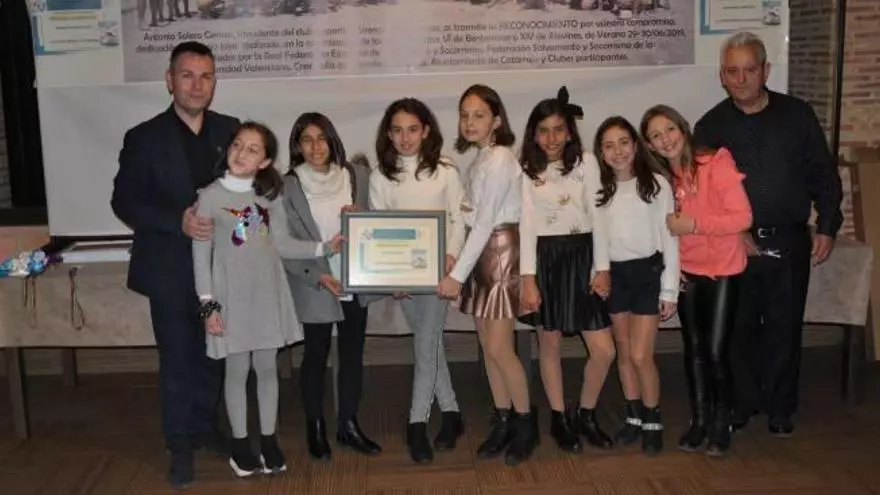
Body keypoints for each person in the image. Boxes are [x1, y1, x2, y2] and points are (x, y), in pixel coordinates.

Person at [693, 31, 843, 436]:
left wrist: (827, 225)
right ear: (722, 76)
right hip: (733, 243)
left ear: (766, 70)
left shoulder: (798, 115)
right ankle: (742, 403)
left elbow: (823, 174)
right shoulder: (710, 126)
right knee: (737, 329)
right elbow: (701, 193)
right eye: (732, 71)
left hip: (789, 238)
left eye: (749, 70)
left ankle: (780, 407)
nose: (741, 79)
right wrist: (736, 230)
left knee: (784, 327)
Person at [110, 41, 239, 489]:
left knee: (215, 354)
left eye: (206, 76)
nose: (197, 85)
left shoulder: (231, 130)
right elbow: (124, 201)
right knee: (179, 359)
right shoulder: (143, 137)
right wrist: (176, 221)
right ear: (170, 81)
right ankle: (179, 444)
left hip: (222, 267)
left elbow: (250, 189)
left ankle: (205, 427)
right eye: (187, 75)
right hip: (169, 269)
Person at [192, 121, 343, 476]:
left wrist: (324, 247)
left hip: (266, 294)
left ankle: (269, 439)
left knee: (266, 368)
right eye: (237, 145)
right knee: (236, 370)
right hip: (230, 298)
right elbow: (200, 256)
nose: (241, 153)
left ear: (264, 161)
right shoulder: (209, 196)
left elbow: (283, 243)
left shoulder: (270, 196)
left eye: (252, 149)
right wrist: (208, 304)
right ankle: (240, 444)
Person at [641, 105, 752, 456]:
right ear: (650, 145)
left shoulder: (715, 162)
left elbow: (743, 217)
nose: (666, 139)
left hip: (722, 268)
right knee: (694, 348)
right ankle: (700, 420)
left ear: (683, 128)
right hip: (687, 270)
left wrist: (695, 225)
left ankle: (722, 422)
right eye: (656, 136)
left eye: (670, 129)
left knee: (717, 351)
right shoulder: (661, 180)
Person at [437, 84, 537, 466]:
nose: (469, 121)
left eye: (479, 115)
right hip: (481, 252)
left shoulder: (500, 158)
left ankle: (526, 423)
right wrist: (458, 261)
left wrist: (456, 276)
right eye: (464, 115)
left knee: (499, 348)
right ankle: (504, 418)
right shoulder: (481, 158)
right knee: (487, 345)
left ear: (496, 120)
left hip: (499, 252)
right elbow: (468, 218)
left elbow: (483, 223)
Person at [517, 88, 615, 453]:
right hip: (546, 260)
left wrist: (602, 268)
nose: (552, 138)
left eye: (559, 129)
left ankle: (585, 413)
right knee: (550, 343)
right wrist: (528, 278)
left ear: (570, 131)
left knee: (604, 349)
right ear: (534, 134)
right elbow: (526, 226)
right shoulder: (526, 170)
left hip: (583, 257)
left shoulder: (586, 162)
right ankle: (558, 416)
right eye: (544, 130)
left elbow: (598, 216)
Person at [370, 98, 465, 464]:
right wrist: (392, 276)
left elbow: (458, 218)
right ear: (388, 133)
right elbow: (379, 230)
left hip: (439, 275)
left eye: (412, 129)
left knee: (425, 345)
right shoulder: (380, 176)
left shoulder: (446, 171)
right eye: (397, 130)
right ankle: (451, 412)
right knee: (430, 343)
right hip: (405, 278)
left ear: (426, 131)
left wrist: (452, 257)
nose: (405, 138)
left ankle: (416, 423)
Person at [281, 112, 381, 461]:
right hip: (316, 279)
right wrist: (317, 275)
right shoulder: (287, 185)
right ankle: (316, 426)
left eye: (322, 138)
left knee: (352, 354)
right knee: (315, 355)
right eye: (306, 140)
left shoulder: (357, 175)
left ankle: (348, 424)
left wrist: (362, 216)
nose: (316, 146)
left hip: (355, 276)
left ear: (333, 140)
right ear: (297, 146)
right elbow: (284, 242)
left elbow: (376, 223)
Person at [593, 116, 679, 455]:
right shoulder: (599, 191)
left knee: (642, 354)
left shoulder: (656, 185)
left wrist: (669, 289)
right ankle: (634, 414)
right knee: (625, 352)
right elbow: (597, 239)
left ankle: (653, 416)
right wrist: (598, 272)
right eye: (609, 146)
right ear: (601, 153)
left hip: (647, 275)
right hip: (616, 276)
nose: (618, 151)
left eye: (624, 142)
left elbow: (670, 239)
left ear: (635, 144)